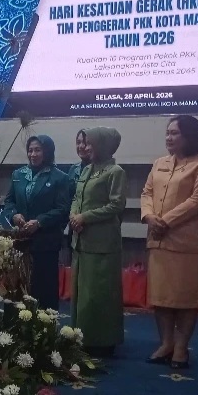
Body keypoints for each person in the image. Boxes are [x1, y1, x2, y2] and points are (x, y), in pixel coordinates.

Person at [141, 115, 198, 369]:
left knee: (185, 298)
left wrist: (165, 221)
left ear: (190, 136)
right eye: (167, 132)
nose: (169, 137)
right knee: (161, 297)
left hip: (187, 243)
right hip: (158, 240)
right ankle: (166, 344)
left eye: (174, 133)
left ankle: (182, 348)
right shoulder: (159, 163)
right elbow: (147, 193)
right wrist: (149, 216)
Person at [69, 127, 127, 358]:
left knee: (100, 294)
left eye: (91, 143)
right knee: (83, 294)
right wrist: (74, 216)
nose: (86, 147)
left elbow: (116, 205)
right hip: (81, 240)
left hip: (102, 243)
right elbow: (77, 198)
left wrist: (85, 217)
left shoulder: (115, 172)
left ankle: (103, 340)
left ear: (103, 145)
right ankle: (81, 336)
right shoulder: (87, 170)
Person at [3, 135, 70, 310]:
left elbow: (63, 209)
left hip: (45, 244)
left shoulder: (60, 178)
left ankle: (44, 325)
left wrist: (39, 222)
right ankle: (15, 326)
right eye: (30, 150)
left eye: (38, 150)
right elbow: (9, 201)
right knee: (17, 291)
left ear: (47, 151)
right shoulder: (18, 174)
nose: (33, 154)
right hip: (19, 243)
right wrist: (14, 215)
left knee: (43, 291)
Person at [68, 129, 91, 199]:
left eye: (85, 142)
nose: (81, 146)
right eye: (78, 142)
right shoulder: (74, 169)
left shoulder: (103, 170)